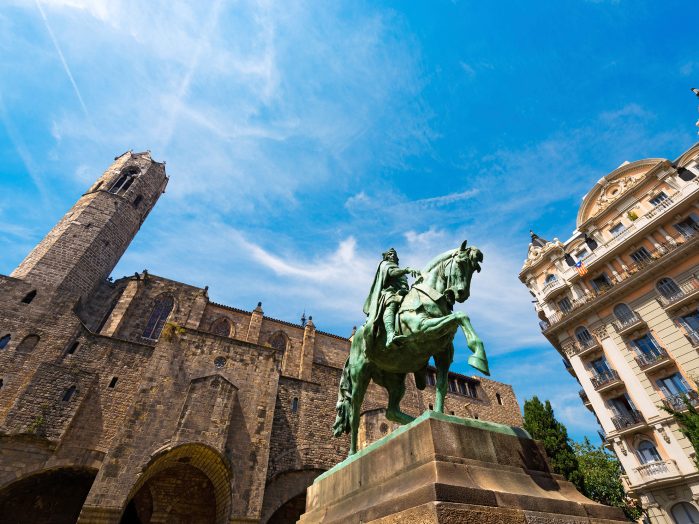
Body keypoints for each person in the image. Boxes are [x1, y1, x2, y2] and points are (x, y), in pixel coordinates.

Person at [363, 248, 419, 347]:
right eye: (390, 254)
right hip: (388, 293)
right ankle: (390, 335)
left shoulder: (399, 270)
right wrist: (406, 270)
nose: (392, 256)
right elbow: (391, 273)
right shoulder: (385, 265)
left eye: (394, 254)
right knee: (391, 303)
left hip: (402, 293)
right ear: (387, 256)